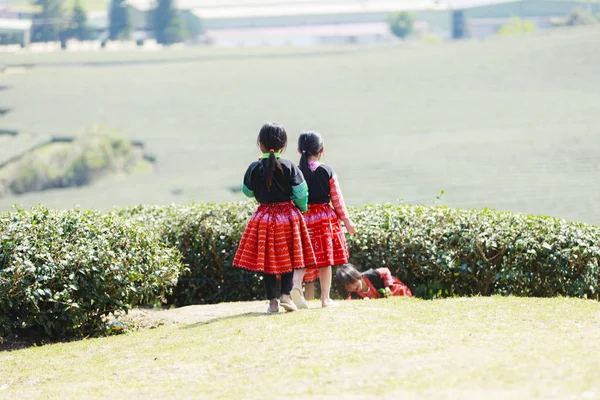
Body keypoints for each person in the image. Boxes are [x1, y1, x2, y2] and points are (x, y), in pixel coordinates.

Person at [233, 122, 316, 313]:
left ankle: (272, 303)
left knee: (268, 263)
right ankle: (286, 296)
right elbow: (301, 192)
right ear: (284, 146)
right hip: (288, 217)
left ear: (260, 144)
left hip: (263, 217)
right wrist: (301, 208)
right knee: (290, 257)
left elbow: (247, 191)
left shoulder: (254, 167)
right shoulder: (290, 166)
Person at [290, 130, 356, 309]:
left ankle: (296, 286)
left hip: (303, 219)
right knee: (325, 261)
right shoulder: (327, 171)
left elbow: (291, 198)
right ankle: (325, 299)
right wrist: (347, 221)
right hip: (324, 220)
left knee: (301, 258)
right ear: (322, 150)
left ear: (299, 150)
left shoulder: (294, 171)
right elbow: (337, 199)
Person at [335, 263, 412, 300]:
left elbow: (385, 271)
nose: (353, 287)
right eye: (348, 287)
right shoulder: (354, 296)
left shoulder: (371, 274)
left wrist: (387, 286)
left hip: (393, 290)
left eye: (352, 282)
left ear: (357, 275)